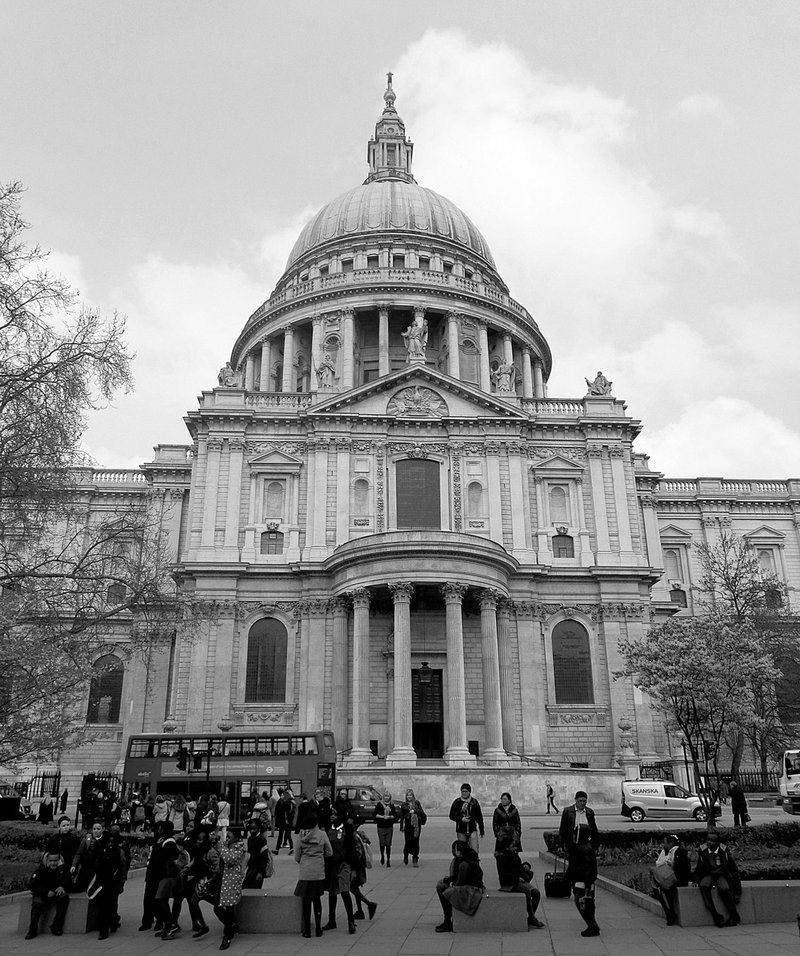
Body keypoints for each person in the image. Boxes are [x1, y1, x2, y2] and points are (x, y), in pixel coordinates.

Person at [559, 790, 601, 937]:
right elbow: (563, 830)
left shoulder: (589, 813)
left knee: (582, 898)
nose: (583, 803)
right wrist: (563, 845)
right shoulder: (568, 812)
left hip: (584, 877)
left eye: (585, 801)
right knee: (585, 897)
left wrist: (594, 845)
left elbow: (595, 831)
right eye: (580, 801)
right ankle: (592, 923)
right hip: (579, 864)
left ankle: (592, 924)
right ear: (575, 800)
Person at [294, 810, 332, 938]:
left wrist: (304, 860)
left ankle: (307, 930)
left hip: (305, 872)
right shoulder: (322, 834)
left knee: (306, 901)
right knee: (317, 900)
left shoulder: (300, 836)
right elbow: (329, 852)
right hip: (318, 872)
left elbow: (297, 856)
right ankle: (318, 928)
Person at [494, 829, 544, 928]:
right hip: (508, 884)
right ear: (507, 848)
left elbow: (518, 868)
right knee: (527, 891)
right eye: (513, 846)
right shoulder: (502, 859)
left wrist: (526, 865)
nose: (515, 848)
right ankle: (532, 917)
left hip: (517, 881)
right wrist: (517, 879)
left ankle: (531, 916)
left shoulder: (514, 856)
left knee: (536, 893)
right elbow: (504, 875)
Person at [435, 840, 484, 933]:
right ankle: (447, 917)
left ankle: (447, 919)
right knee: (440, 886)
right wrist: (446, 881)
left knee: (447, 892)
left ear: (457, 850)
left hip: (471, 889)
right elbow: (456, 877)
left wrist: (451, 884)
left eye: (453, 850)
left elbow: (461, 881)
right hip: (465, 885)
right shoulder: (460, 860)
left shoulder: (464, 864)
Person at [694, 830, 741, 927]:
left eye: (712, 840)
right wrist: (695, 880)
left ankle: (733, 914)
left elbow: (734, 870)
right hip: (709, 874)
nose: (708, 842)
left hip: (721, 874)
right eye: (708, 840)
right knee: (703, 885)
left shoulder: (724, 850)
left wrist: (737, 891)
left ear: (717, 842)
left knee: (724, 888)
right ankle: (715, 914)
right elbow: (699, 867)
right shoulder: (703, 850)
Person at [322, 806, 357, 933]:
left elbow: (352, 850)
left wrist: (353, 869)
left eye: (335, 814)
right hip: (332, 865)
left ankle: (351, 921)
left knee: (344, 891)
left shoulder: (346, 829)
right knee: (332, 892)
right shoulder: (327, 829)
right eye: (331, 814)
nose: (332, 816)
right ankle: (332, 920)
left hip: (344, 864)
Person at [93, 826, 128, 939]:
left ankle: (112, 923)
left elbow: (123, 868)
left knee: (112, 904)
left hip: (114, 882)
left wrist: (122, 882)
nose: (111, 843)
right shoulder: (102, 850)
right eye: (109, 841)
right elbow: (96, 866)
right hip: (103, 882)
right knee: (104, 905)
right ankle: (104, 929)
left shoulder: (119, 852)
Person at [25, 851, 71, 939]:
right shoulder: (40, 870)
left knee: (64, 897)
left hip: (55, 893)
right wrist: (45, 892)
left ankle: (56, 925)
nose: (53, 863)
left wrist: (62, 886)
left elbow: (68, 880)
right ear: (47, 861)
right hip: (42, 893)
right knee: (37, 904)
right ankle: (32, 930)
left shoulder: (63, 869)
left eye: (55, 861)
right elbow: (32, 885)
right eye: (51, 861)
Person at [214, 829, 245, 950]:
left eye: (229, 837)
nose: (226, 839)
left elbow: (229, 859)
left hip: (231, 882)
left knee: (229, 909)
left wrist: (221, 847)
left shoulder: (238, 848)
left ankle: (227, 935)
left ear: (236, 838)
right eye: (226, 836)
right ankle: (231, 926)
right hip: (222, 880)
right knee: (217, 908)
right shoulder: (227, 847)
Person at [652, 834, 691, 925]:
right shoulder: (669, 851)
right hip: (673, 877)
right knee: (659, 888)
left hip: (679, 879)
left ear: (671, 843)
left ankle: (671, 915)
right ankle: (670, 914)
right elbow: (659, 863)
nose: (663, 845)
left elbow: (680, 869)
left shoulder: (678, 852)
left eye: (664, 843)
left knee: (663, 891)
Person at [449, 783, 484, 853]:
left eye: (466, 791)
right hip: (461, 830)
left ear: (469, 792)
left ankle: (474, 863)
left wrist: (481, 829)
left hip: (472, 829)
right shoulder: (457, 802)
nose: (464, 793)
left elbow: (479, 816)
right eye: (462, 791)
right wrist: (461, 819)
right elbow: (451, 815)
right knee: (462, 851)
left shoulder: (474, 802)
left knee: (474, 850)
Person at [399, 788, 427, 866]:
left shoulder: (417, 803)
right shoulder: (404, 805)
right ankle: (406, 853)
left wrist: (414, 811)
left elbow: (421, 812)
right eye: (408, 795)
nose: (409, 797)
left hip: (416, 826)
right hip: (408, 825)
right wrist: (401, 826)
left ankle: (415, 858)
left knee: (416, 842)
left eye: (410, 795)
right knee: (408, 842)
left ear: (413, 796)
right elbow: (402, 816)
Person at [242, 818, 272, 889]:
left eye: (254, 829)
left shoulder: (261, 840)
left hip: (257, 869)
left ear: (259, 828)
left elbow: (264, 858)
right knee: (246, 888)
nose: (252, 831)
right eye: (250, 829)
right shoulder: (250, 839)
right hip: (251, 868)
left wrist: (261, 872)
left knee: (253, 889)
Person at [373, 789, 398, 866]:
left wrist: (389, 817)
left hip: (389, 826)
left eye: (388, 796)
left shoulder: (391, 805)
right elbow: (374, 815)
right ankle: (382, 855)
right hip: (381, 826)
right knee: (382, 843)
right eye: (385, 796)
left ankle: (388, 860)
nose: (386, 798)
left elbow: (395, 816)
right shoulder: (379, 805)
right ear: (383, 797)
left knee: (388, 844)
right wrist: (382, 817)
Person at [274, 788, 296, 853]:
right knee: (289, 835)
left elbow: (281, 811)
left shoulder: (285, 803)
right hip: (289, 821)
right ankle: (291, 848)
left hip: (284, 821)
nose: (282, 796)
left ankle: (277, 849)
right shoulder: (292, 802)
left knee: (280, 835)